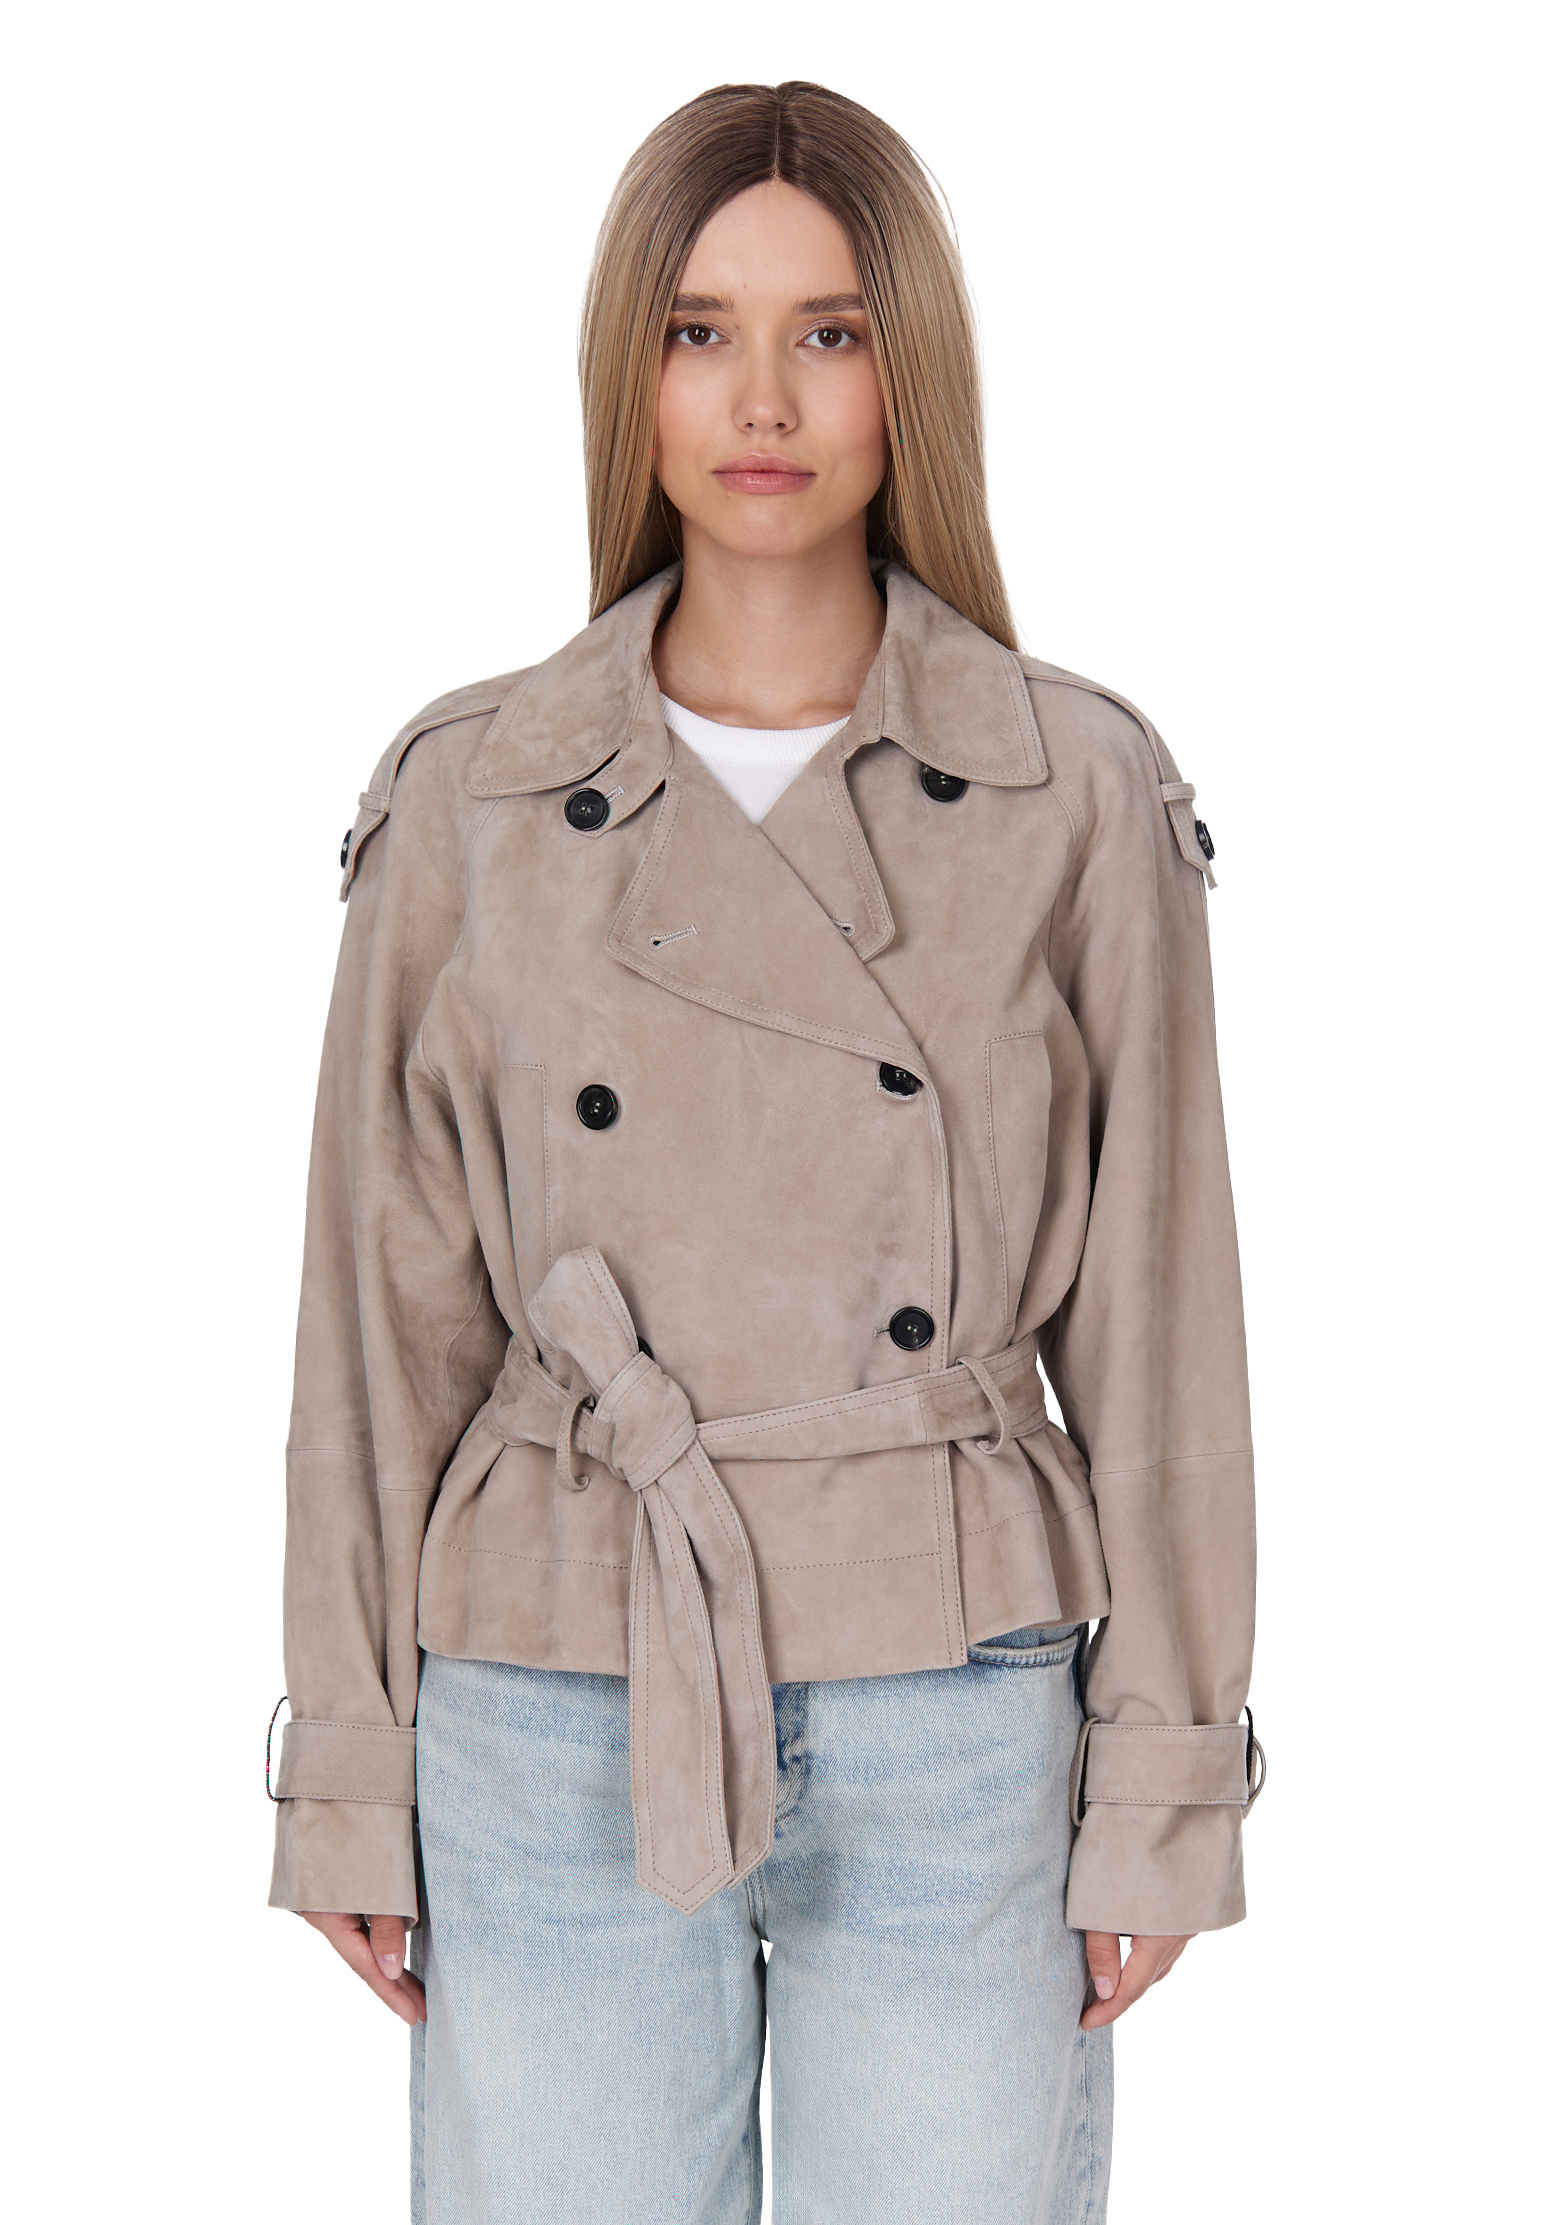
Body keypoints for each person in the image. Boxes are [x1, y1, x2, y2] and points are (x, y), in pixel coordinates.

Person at [268, 79, 1262, 2224]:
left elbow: (1164, 1322)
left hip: (957, 1698)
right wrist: (345, 1760)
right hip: (552, 1681)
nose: (764, 400)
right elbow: (377, 1328)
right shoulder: (471, 795)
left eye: (829, 332)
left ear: (913, 371)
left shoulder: (1075, 789)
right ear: (628, 371)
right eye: (701, 330)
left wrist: (1167, 1779)